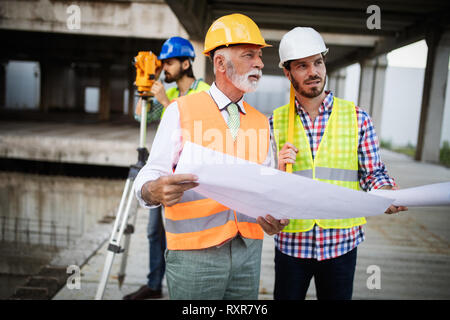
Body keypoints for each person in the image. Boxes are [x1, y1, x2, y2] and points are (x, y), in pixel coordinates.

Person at [133, 13, 289, 300]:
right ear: (220, 63)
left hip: (248, 255)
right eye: (249, 55)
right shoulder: (180, 110)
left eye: (259, 56)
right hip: (195, 256)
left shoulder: (260, 122)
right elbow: (150, 174)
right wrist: (152, 190)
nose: (259, 63)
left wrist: (273, 216)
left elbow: (265, 186)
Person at [271, 27, 408, 300]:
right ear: (288, 73)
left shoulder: (358, 117)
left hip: (341, 244)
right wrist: (275, 170)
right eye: (302, 66)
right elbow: (267, 184)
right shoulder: (275, 122)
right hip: (291, 244)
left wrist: (386, 191)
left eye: (318, 62)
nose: (314, 72)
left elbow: (374, 173)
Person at [123, 37, 210, 300]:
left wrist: (164, 100)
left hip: (190, 179)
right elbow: (141, 116)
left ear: (186, 63)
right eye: (163, 64)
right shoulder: (169, 92)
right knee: (153, 232)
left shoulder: (204, 92)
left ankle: (182, 288)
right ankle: (154, 285)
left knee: (183, 236)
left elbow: (195, 130)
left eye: (170, 63)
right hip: (163, 175)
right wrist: (147, 85)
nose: (166, 68)